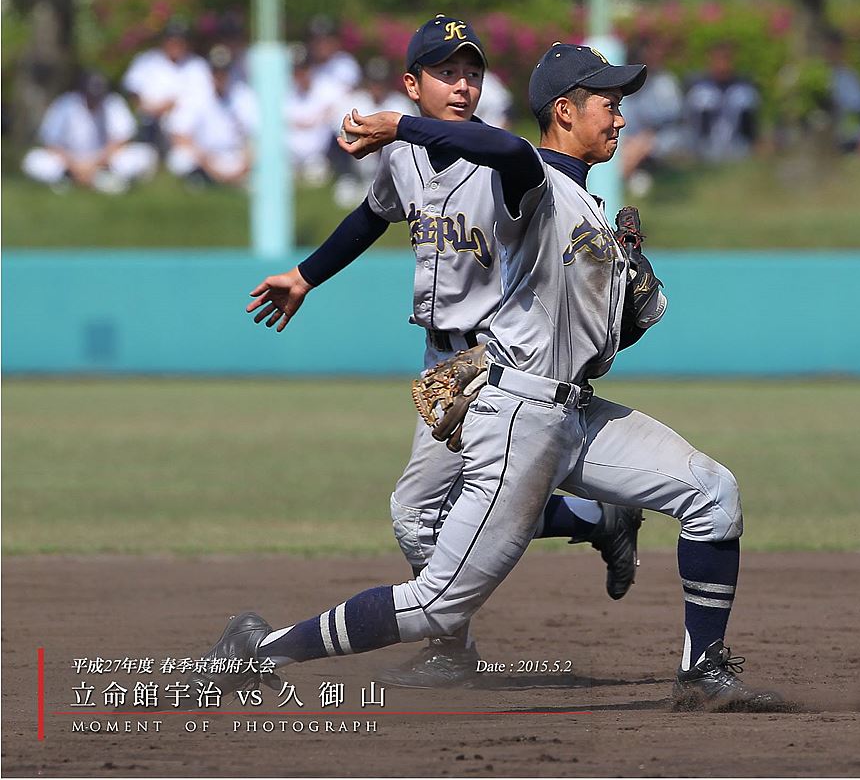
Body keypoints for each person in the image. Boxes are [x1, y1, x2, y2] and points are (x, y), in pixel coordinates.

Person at [199, 39, 777, 711]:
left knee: (713, 492)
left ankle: (702, 671)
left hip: (576, 411)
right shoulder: (533, 184)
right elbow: (505, 152)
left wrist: (635, 288)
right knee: (437, 603)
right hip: (518, 416)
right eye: (609, 105)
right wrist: (399, 127)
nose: (621, 119)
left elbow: (613, 335)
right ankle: (258, 650)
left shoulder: (592, 212)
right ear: (564, 111)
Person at [243, 18, 641, 690]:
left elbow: (493, 143)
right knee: (453, 507)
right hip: (442, 362)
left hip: (497, 358)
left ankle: (451, 644)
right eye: (445, 73)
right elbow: (372, 214)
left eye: (472, 73)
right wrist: (305, 276)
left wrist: (400, 124)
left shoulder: (503, 160)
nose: (462, 85)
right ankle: (594, 518)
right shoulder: (404, 159)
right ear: (412, 82)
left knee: (416, 511)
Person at [21, 70, 157, 193]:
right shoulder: (65, 104)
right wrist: (75, 166)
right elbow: (51, 142)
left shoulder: (113, 103)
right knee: (33, 160)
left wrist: (95, 164)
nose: (93, 100)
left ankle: (84, 180)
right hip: (70, 161)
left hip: (105, 160)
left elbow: (121, 140)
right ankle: (92, 181)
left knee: (144, 155)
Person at [330, 56, 417, 208]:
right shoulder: (355, 100)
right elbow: (337, 127)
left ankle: (380, 185)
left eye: (381, 83)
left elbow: (409, 137)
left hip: (385, 158)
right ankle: (349, 179)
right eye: (374, 82)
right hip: (356, 154)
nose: (377, 87)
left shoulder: (400, 103)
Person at [165, 46, 257, 188]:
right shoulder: (196, 95)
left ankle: (211, 181)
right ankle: (202, 179)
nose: (220, 76)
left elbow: (254, 135)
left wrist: (245, 164)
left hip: (234, 155)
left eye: (223, 71)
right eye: (216, 71)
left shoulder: (243, 95)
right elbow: (179, 134)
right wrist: (206, 161)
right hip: (204, 155)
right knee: (180, 158)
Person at [120, 18, 213, 150]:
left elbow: (204, 99)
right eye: (172, 40)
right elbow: (132, 90)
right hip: (150, 121)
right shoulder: (147, 60)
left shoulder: (197, 65)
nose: (175, 45)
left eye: (180, 41)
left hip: (189, 124)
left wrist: (172, 105)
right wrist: (151, 108)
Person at [618, 38, 686, 196]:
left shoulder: (665, 82)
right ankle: (626, 178)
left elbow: (673, 118)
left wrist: (645, 136)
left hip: (663, 137)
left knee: (641, 143)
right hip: (630, 141)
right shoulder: (626, 85)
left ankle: (616, 182)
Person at [684, 41, 761, 162]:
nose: (722, 64)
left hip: (739, 147)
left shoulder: (744, 88)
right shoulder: (699, 89)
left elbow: (752, 125)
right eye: (718, 59)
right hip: (705, 148)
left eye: (726, 59)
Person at [285, 45, 344, 185]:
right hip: (289, 154)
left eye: (303, 69)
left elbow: (342, 108)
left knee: (315, 177)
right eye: (296, 70)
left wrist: (323, 115)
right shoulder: (286, 91)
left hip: (319, 156)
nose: (300, 74)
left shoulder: (327, 87)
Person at [307, 15, 362, 93]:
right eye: (318, 41)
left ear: (336, 42)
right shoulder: (306, 66)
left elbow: (346, 96)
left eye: (327, 41)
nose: (322, 46)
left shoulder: (345, 64)